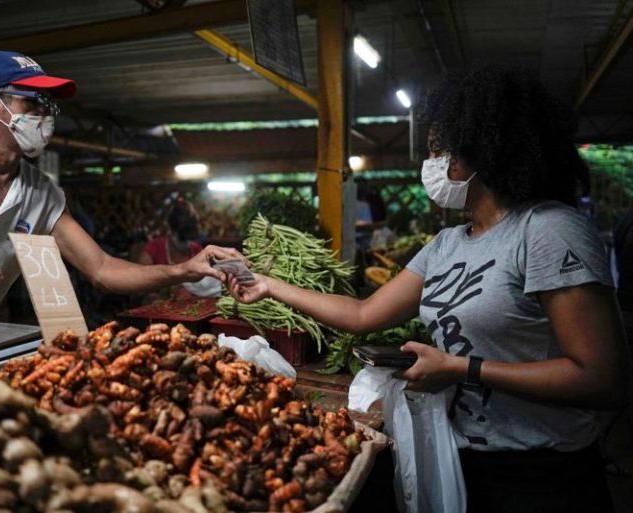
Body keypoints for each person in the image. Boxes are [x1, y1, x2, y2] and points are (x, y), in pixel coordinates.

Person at [227, 65, 629, 513]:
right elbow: (364, 314)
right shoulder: (447, 244)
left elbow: (602, 379)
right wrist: (268, 286)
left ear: (482, 151)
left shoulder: (548, 231)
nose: (432, 165)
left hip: (544, 475)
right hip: (465, 463)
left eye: (440, 151)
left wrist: (463, 368)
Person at [0, 50, 245, 349]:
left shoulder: (41, 193)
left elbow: (103, 269)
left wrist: (184, 270)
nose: (46, 116)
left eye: (50, 106)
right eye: (34, 104)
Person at [135, 197, 221, 299]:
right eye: (181, 238)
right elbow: (139, 281)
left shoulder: (196, 249)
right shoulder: (154, 248)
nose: (185, 244)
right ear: (171, 229)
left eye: (187, 239)